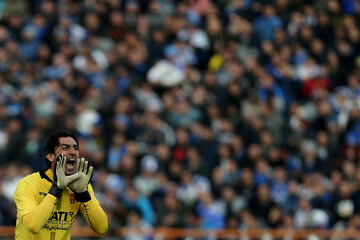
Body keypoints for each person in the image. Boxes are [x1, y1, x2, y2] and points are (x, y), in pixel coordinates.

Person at [13, 130, 108, 239]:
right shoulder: (28, 183)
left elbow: (102, 228)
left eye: (75, 148)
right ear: (50, 156)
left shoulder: (81, 185)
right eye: (65, 148)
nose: (73, 152)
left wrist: (84, 195)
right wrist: (56, 189)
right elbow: (33, 226)